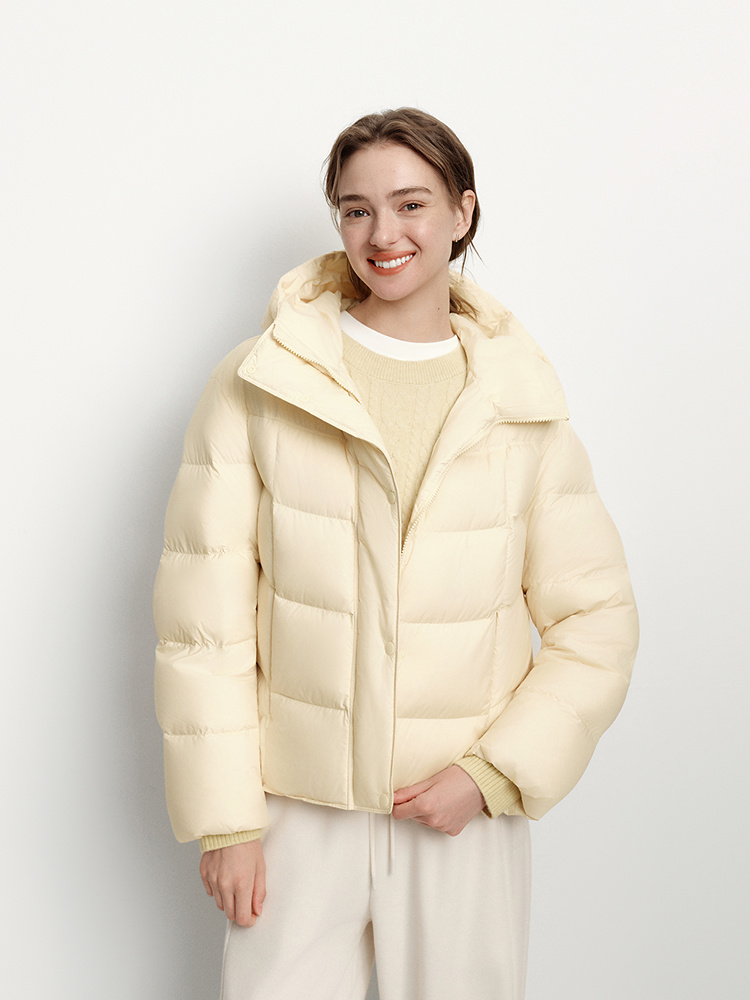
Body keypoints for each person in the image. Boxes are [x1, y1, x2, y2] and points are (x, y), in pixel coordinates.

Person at [153, 108, 639, 1000]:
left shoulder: (519, 399)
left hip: (456, 814)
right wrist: (228, 822)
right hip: (296, 810)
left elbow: (596, 621)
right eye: (357, 209)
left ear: (462, 211)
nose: (384, 234)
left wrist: (491, 775)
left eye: (411, 204)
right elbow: (203, 624)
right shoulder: (261, 381)